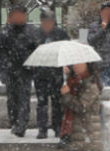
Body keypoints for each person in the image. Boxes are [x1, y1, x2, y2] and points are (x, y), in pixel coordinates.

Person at [0, 4, 39, 137]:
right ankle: (14, 122)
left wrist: (33, 63)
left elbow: (38, 49)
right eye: (16, 15)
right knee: (12, 99)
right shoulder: (4, 33)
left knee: (24, 98)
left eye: (21, 15)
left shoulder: (32, 31)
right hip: (9, 72)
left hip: (25, 71)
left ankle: (21, 125)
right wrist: (1, 71)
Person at [34, 9, 70, 139]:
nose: (47, 24)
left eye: (50, 22)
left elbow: (67, 50)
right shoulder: (36, 34)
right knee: (42, 103)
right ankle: (42, 129)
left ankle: (57, 127)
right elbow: (29, 51)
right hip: (40, 74)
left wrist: (66, 64)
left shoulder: (61, 34)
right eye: (45, 22)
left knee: (57, 103)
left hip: (56, 73)